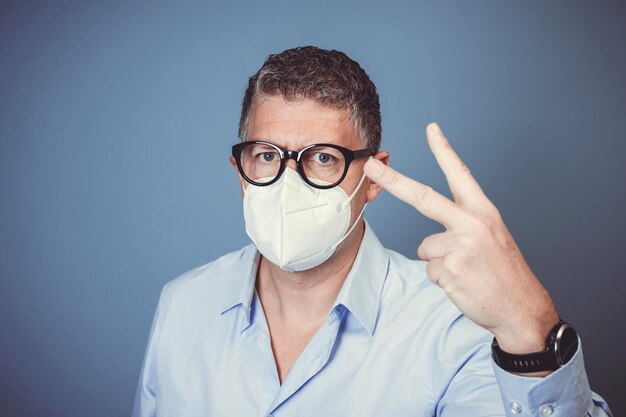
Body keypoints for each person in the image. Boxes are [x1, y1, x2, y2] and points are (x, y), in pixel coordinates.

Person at [132, 46, 612, 417]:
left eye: (322, 158)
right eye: (267, 155)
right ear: (240, 170)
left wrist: (529, 329)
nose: (288, 184)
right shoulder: (182, 308)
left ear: (372, 178)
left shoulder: (457, 332)